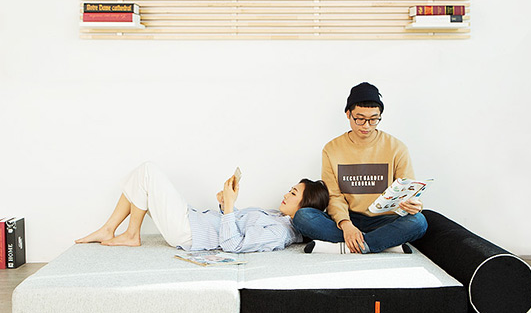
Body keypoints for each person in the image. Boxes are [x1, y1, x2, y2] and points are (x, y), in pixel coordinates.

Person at [292, 82, 428, 254]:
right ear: (348, 114)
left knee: (418, 222)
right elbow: (334, 195)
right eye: (360, 118)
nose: (366, 126)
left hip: (385, 219)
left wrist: (413, 205)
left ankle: (346, 246)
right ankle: (383, 243)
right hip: (348, 217)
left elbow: (408, 192)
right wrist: (346, 224)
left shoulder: (397, 148)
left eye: (373, 119)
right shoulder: (331, 149)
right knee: (303, 217)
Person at [76, 162, 329, 253]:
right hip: (192, 220)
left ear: (305, 205)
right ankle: (110, 229)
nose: (286, 194)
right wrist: (225, 203)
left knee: (147, 171)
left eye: (293, 193)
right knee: (142, 179)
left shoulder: (279, 232)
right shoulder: (277, 217)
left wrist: (229, 207)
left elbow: (232, 245)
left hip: (188, 232)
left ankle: (131, 235)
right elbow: (235, 225)